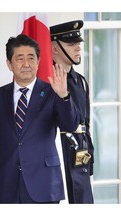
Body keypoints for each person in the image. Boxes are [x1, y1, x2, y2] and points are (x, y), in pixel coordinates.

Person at [0, 34, 80, 204]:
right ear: (9, 64)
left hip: (44, 184)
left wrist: (64, 95)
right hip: (5, 185)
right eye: (19, 59)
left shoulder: (52, 92)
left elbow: (70, 125)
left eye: (31, 58)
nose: (26, 64)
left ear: (38, 61)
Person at [50, 20, 94, 203]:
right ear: (54, 48)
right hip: (58, 161)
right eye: (71, 43)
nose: (77, 48)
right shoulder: (46, 83)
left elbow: (86, 126)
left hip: (80, 163)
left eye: (78, 43)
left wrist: (89, 163)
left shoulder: (81, 82)